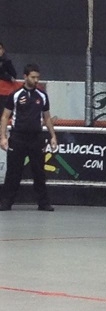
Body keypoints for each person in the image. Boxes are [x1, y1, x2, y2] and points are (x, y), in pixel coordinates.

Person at [0, 64, 58, 212]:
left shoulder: (42, 96)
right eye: (33, 77)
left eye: (38, 77)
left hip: (36, 138)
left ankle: (43, 203)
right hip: (18, 137)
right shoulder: (15, 95)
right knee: (13, 172)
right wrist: (3, 137)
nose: (36, 80)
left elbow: (47, 117)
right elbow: (5, 116)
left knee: (39, 171)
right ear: (25, 77)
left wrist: (53, 136)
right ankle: (6, 202)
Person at [0, 42, 19, 112]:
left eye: (0, 49)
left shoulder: (7, 62)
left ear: (3, 50)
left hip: (3, 91)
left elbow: (14, 75)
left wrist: (7, 77)